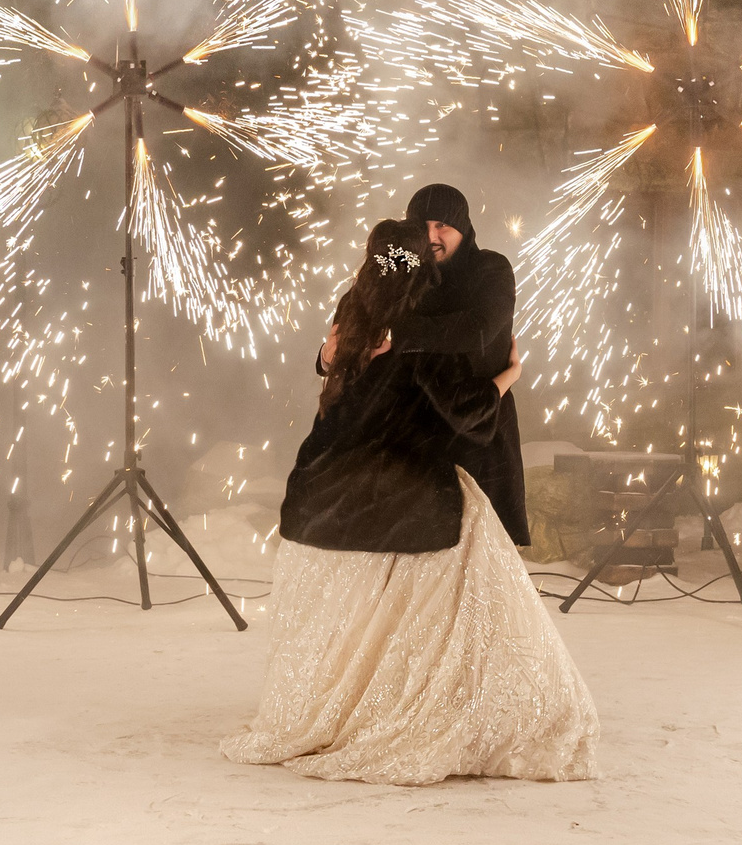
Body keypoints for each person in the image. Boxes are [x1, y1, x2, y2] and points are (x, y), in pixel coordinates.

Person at [226, 219, 598, 785]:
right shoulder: (422, 333)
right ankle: (414, 711)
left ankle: (331, 710)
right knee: (470, 575)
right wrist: (511, 375)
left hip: (322, 493)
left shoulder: (354, 312)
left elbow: (332, 366)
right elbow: (468, 409)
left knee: (354, 617)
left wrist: (327, 360)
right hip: (402, 489)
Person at [387, 182, 529, 546]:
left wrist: (401, 334)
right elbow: (361, 320)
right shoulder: (402, 272)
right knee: (419, 563)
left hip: (479, 428)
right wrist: (327, 356)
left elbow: (476, 332)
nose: (431, 236)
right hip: (415, 436)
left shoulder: (491, 268)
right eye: (422, 226)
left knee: (481, 558)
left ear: (463, 229)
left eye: (442, 226)